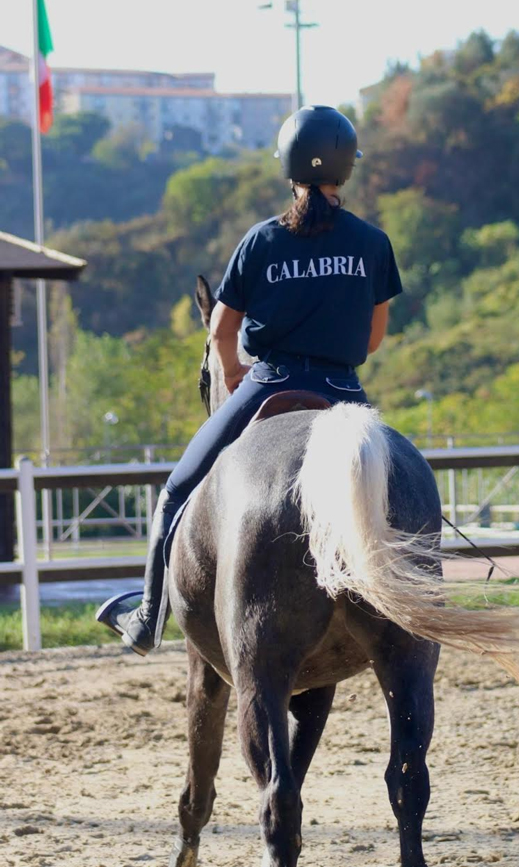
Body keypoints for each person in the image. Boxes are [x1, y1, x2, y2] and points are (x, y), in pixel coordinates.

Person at [96, 105, 402, 656]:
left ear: (288, 168)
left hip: (272, 380)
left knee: (175, 494)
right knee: (399, 488)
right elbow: (373, 340)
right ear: (345, 170)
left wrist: (235, 374)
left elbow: (219, 331)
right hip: (344, 393)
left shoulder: (261, 241)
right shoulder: (373, 243)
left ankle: (147, 619)